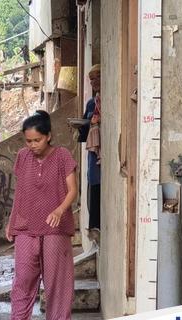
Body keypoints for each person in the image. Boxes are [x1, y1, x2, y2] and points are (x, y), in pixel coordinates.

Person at [5, 110, 78, 320]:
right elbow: (20, 192)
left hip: (55, 226)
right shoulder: (23, 157)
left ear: (48, 136)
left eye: (37, 140)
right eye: (28, 141)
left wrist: (59, 209)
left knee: (57, 281)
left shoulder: (62, 156)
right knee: (23, 278)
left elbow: (73, 190)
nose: (32, 145)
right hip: (26, 225)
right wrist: (12, 221)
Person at [77, 64, 101, 243]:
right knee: (93, 184)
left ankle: (97, 226)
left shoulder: (106, 101)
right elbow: (84, 128)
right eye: (91, 79)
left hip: (102, 153)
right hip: (94, 153)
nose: (94, 82)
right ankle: (94, 227)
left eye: (97, 77)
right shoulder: (92, 103)